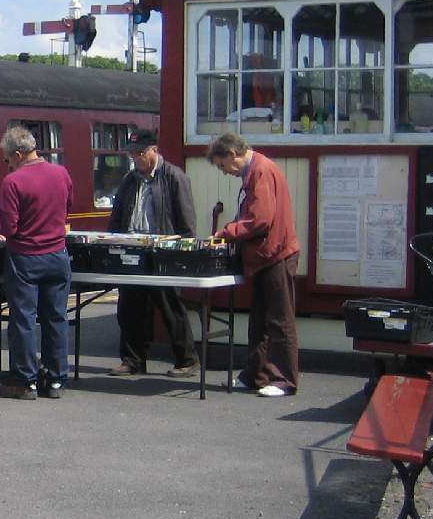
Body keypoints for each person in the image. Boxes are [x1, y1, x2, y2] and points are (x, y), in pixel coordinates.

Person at [208, 132, 301, 398]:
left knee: (279, 320)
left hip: (275, 254)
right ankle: (256, 375)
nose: (224, 171)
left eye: (222, 165)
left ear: (232, 155)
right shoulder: (257, 170)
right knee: (260, 320)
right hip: (265, 255)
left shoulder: (260, 171)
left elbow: (260, 218)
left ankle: (284, 379)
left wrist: (228, 231)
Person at [106, 129, 199, 378]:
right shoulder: (130, 179)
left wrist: (183, 253)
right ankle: (132, 360)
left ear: (154, 150)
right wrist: (112, 241)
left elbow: (186, 220)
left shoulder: (173, 177)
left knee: (170, 308)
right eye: (132, 154)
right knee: (129, 309)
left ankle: (187, 360)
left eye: (140, 153)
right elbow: (117, 216)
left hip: (162, 251)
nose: (136, 158)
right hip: (133, 250)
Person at [0, 126, 73, 400]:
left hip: (25, 257)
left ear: (18, 154)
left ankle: (26, 379)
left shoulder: (13, 182)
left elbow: (8, 227)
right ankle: (56, 379)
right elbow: (67, 207)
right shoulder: (61, 173)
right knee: (56, 317)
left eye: (7, 159)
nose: (7, 164)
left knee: (24, 319)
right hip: (57, 255)